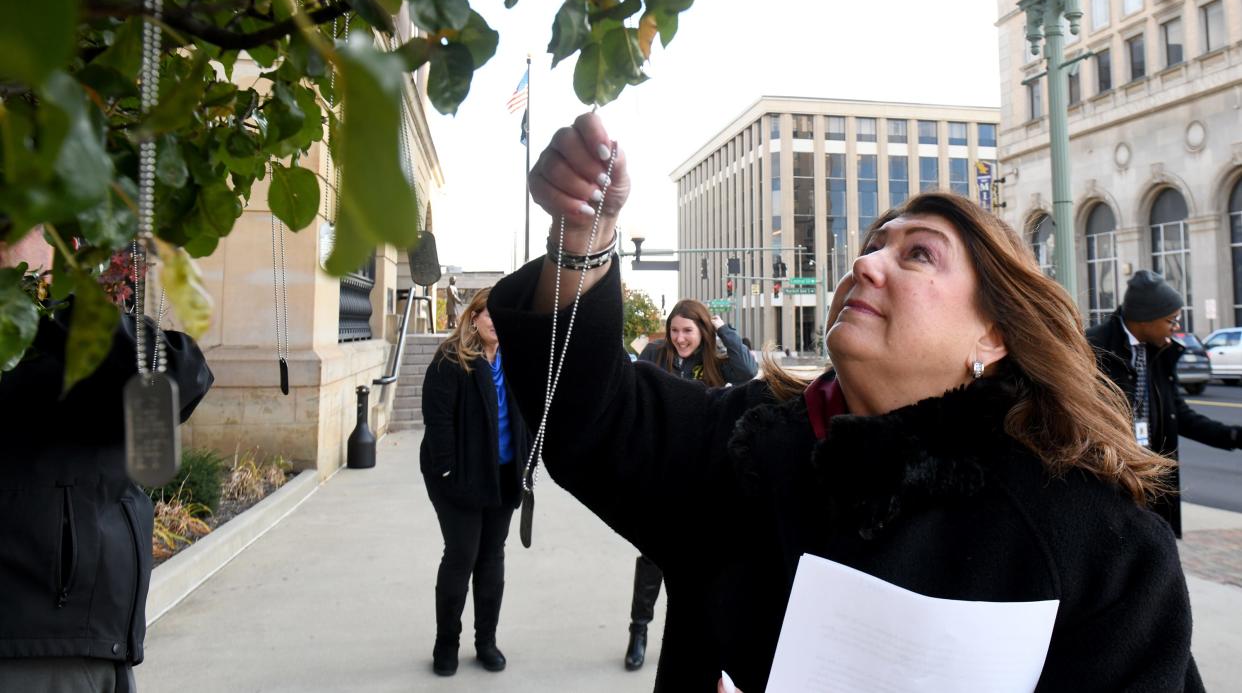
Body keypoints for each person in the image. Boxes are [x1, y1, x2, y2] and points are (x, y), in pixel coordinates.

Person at [486, 113, 1202, 692]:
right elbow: (587, 415)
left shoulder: (1097, 539)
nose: (865, 263)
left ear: (996, 332)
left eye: (917, 254)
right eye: (873, 245)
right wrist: (581, 237)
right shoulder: (744, 441)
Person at [0, 235, 214, 693]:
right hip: (33, 643)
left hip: (95, 638)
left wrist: (54, 297)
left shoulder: (64, 325)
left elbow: (181, 377)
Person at [625, 300, 757, 669]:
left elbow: (749, 372)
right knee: (652, 558)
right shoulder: (656, 354)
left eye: (688, 330)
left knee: (702, 564)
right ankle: (638, 631)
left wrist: (724, 330)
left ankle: (694, 640)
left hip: (703, 475)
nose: (680, 338)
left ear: (702, 331)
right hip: (660, 473)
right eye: (675, 330)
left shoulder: (717, 362)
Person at [419, 287, 530, 677]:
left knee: (491, 556)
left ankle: (486, 642)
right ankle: (446, 643)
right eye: (489, 314)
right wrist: (447, 469)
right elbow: (437, 419)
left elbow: (528, 416)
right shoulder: (452, 358)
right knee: (461, 554)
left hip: (502, 474)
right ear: (474, 316)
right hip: (458, 476)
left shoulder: (516, 359)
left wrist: (526, 463)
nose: (495, 322)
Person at [1086, 270, 1240, 538]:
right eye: (1171, 320)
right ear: (1145, 319)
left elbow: (1178, 415)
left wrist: (1233, 436)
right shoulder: (1093, 348)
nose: (1175, 327)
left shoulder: (1160, 352)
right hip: (1108, 480)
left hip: (1150, 478)